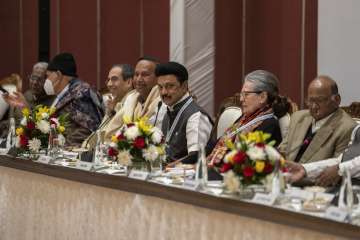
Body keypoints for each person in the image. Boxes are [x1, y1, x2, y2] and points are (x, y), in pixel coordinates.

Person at [4, 52, 104, 146]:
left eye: (47, 76)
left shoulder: (82, 93)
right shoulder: (63, 94)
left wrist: (59, 148)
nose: (46, 80)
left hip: (71, 158)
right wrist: (24, 107)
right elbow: (46, 128)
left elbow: (88, 130)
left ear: (58, 75)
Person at [207, 70, 283, 165]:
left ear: (262, 97)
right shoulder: (245, 119)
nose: (241, 99)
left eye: (246, 94)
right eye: (241, 94)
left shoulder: (270, 124)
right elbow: (218, 143)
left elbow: (248, 161)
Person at [279, 76, 356, 164]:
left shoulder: (347, 128)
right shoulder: (298, 117)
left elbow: (336, 169)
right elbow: (282, 151)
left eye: (320, 100)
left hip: (311, 176)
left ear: (337, 100)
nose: (313, 106)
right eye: (310, 100)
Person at [155, 61, 213, 164]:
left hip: (186, 177)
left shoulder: (195, 116)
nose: (163, 92)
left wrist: (169, 168)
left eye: (169, 86)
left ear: (184, 86)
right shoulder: (168, 110)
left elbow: (196, 157)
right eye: (160, 87)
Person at [103, 56, 161, 141]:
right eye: (136, 74)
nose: (139, 79)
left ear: (158, 78)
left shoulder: (162, 102)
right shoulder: (131, 99)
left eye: (145, 75)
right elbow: (112, 132)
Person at [81, 64, 135, 149]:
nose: (109, 84)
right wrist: (109, 113)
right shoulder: (116, 103)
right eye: (108, 80)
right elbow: (99, 135)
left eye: (114, 79)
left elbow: (109, 138)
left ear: (128, 82)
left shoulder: (132, 101)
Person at [287, 125, 360, 187]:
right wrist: (304, 168)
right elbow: (341, 161)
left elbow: (341, 166)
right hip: (345, 189)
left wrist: (340, 169)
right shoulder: (357, 128)